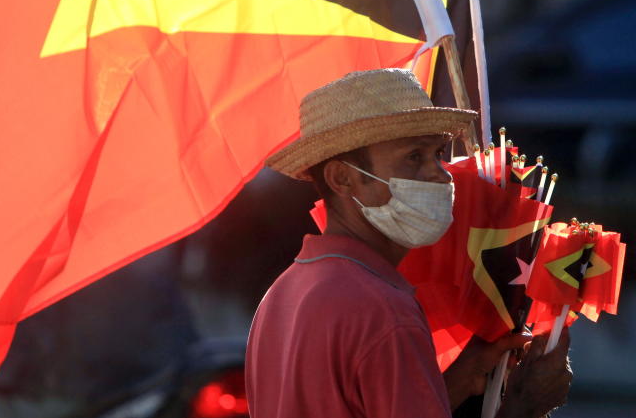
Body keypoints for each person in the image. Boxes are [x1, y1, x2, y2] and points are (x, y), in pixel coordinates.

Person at [245, 69, 571, 418]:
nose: (440, 174)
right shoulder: (382, 309)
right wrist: (525, 404)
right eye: (414, 157)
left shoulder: (281, 294)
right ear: (342, 178)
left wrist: (462, 377)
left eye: (437, 153)